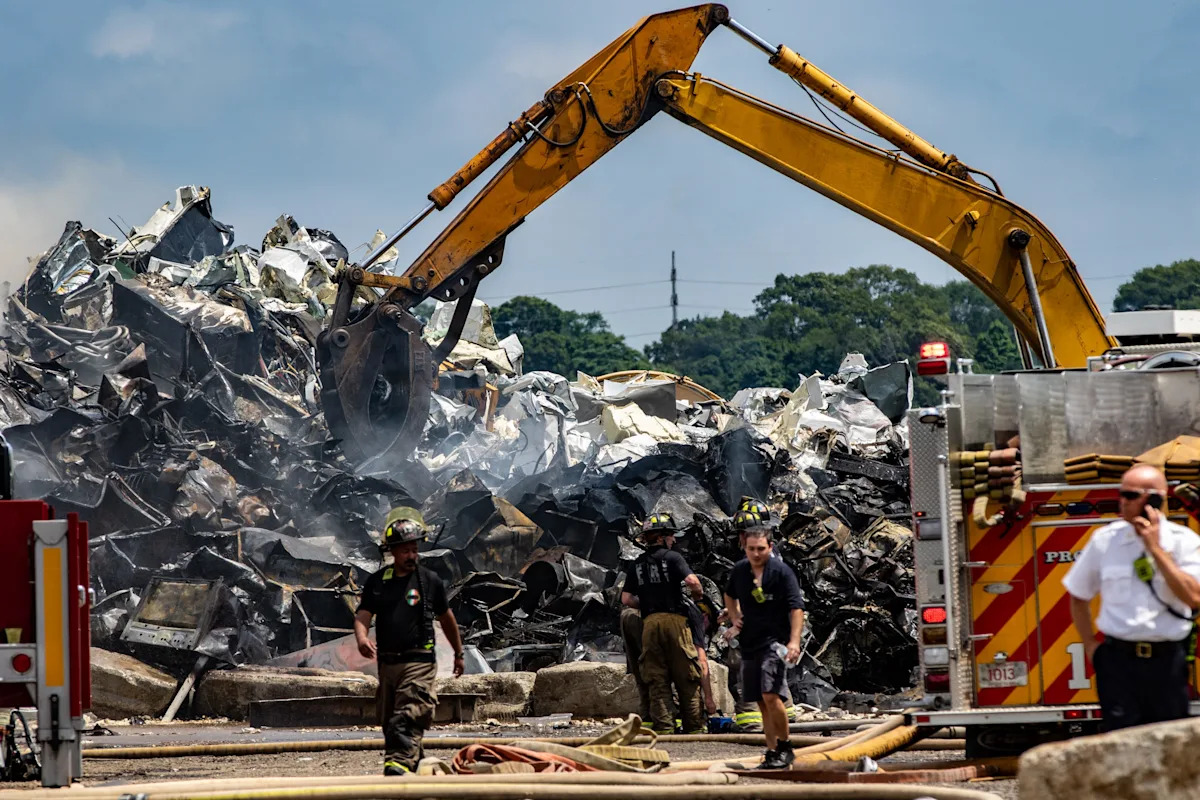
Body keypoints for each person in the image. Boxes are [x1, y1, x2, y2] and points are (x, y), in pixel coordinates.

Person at [1063, 464, 1200, 732]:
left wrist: (1155, 549)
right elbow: (1078, 595)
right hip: (1118, 662)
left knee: (1168, 748)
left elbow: (1193, 597)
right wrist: (1092, 647)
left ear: (1155, 499)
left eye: (1130, 495)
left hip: (1167, 662)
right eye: (1121, 493)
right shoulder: (1105, 541)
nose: (1122, 501)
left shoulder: (1184, 542)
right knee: (1121, 747)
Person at [355, 507, 465, 776]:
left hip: (419, 661)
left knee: (408, 714)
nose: (411, 556)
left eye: (415, 550)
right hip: (387, 663)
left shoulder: (430, 581)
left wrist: (458, 653)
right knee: (388, 720)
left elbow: (447, 619)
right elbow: (363, 615)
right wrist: (361, 638)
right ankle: (417, 765)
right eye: (405, 550)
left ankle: (398, 764)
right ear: (392, 550)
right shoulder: (378, 582)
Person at [723, 526, 805, 770]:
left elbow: (796, 608)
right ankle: (771, 751)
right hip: (750, 642)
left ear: (770, 547)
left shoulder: (781, 572)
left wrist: (794, 641)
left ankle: (785, 746)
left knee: (772, 694)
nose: (756, 554)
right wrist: (735, 615)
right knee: (760, 700)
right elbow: (729, 594)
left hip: (775, 642)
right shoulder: (740, 571)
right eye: (751, 549)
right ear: (744, 547)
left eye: (761, 549)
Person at [621, 513, 706, 734]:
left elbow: (626, 599)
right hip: (674, 621)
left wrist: (648, 602)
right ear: (662, 538)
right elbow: (692, 581)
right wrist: (698, 597)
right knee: (687, 675)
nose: (674, 540)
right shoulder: (674, 558)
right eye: (671, 536)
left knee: (656, 677)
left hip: (649, 623)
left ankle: (665, 728)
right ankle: (694, 727)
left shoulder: (636, 565)